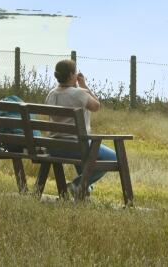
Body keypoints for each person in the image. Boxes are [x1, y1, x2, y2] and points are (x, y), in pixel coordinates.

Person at [45, 59, 116, 197]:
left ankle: (84, 189)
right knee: (113, 157)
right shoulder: (78, 93)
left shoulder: (51, 94)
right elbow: (96, 106)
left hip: (53, 147)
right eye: (75, 71)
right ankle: (78, 184)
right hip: (76, 147)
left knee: (87, 155)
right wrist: (84, 85)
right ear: (72, 75)